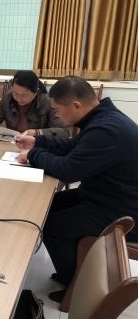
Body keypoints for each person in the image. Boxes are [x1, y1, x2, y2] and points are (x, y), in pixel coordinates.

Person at [15, 76, 138, 303]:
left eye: (58, 110)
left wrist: (33, 155)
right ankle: (73, 268)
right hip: (105, 196)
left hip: (125, 212)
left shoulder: (106, 130)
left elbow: (68, 171)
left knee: (53, 226)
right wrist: (38, 142)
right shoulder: (102, 119)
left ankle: (78, 288)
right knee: (46, 208)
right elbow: (72, 146)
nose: (57, 115)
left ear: (76, 106)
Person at [0, 71, 70, 138]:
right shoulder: (7, 98)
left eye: (24, 95)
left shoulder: (48, 102)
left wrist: (37, 132)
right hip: (13, 142)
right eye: (15, 93)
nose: (19, 99)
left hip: (39, 145)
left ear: (36, 92)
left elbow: (64, 131)